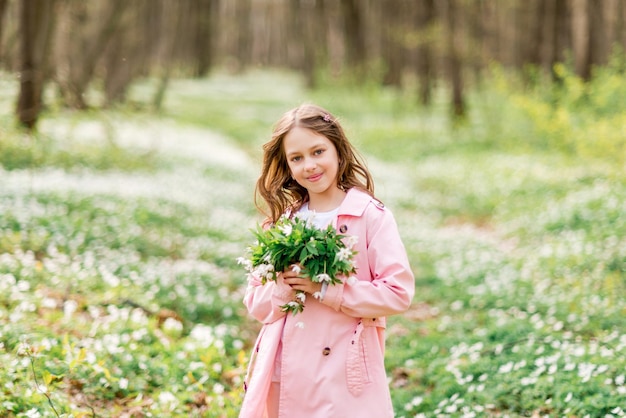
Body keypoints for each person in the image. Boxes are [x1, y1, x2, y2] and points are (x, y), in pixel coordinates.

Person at [239, 104, 415, 418]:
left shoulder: (369, 216)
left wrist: (328, 288)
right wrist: (284, 286)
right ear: (287, 165)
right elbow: (256, 304)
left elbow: (397, 292)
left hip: (343, 371)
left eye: (318, 151)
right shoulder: (282, 224)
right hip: (287, 368)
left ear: (338, 150)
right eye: (297, 158)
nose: (310, 165)